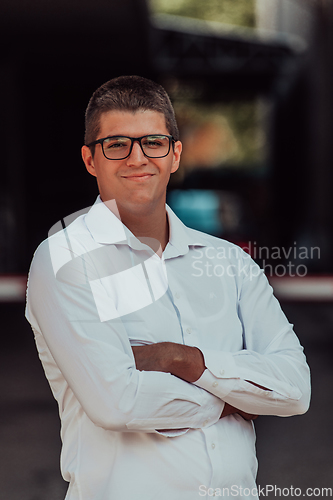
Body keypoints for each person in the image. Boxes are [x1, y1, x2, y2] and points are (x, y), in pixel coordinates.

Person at [26, 75, 311, 500]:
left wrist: (181, 360)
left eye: (153, 142)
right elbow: (116, 402)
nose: (137, 157)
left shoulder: (229, 262)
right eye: (117, 144)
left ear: (175, 154)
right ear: (90, 160)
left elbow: (295, 388)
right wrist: (236, 396)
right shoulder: (64, 259)